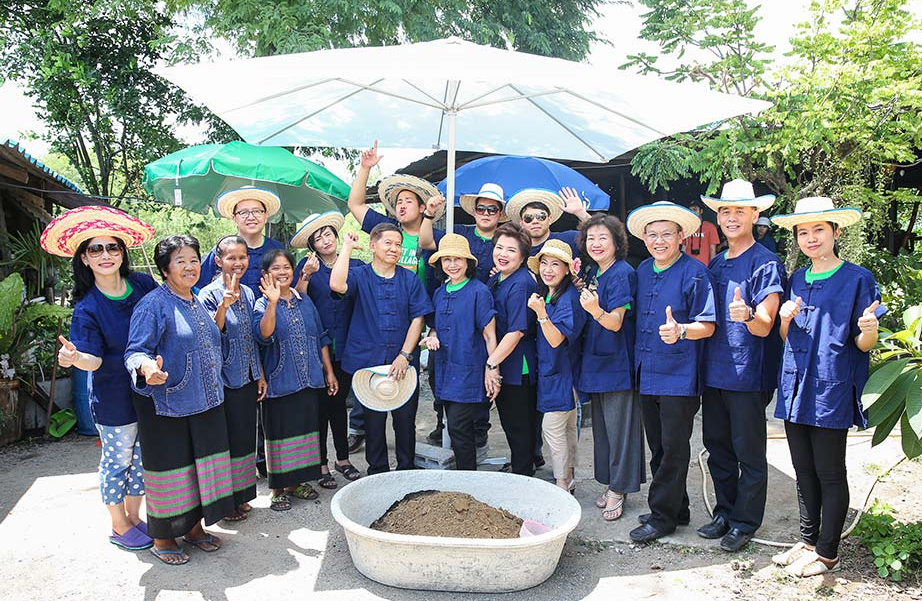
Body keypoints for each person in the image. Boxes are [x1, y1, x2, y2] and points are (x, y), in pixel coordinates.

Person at [769, 197, 885, 577]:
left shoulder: (858, 279)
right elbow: (786, 336)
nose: (811, 238)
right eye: (803, 232)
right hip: (794, 384)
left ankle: (827, 553)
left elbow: (863, 344)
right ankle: (807, 541)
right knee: (802, 469)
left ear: (836, 232)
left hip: (831, 387)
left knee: (829, 472)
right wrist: (785, 319)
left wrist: (869, 330)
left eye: (819, 229)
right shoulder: (796, 279)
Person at [42, 206, 157, 552]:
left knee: (142, 459)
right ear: (84, 258)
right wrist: (75, 358)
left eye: (112, 247)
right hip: (113, 397)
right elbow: (92, 359)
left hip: (149, 390)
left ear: (122, 252)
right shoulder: (87, 308)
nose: (106, 255)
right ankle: (119, 525)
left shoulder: (142, 284)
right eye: (96, 249)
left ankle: (134, 517)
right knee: (117, 461)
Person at [125, 234, 235, 565]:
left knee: (200, 467)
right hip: (169, 403)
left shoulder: (196, 299)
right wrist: (146, 367)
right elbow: (135, 351)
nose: (189, 267)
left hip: (206, 399)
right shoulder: (153, 305)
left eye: (193, 260)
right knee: (172, 471)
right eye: (180, 261)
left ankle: (194, 528)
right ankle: (163, 538)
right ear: (165, 269)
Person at [698, 180, 786, 551]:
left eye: (739, 211)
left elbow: (766, 324)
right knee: (717, 446)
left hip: (748, 371)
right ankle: (724, 511)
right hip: (714, 369)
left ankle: (745, 522)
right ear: (718, 217)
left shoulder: (766, 262)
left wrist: (748, 314)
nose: (731, 218)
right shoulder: (717, 261)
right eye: (725, 211)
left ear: (755, 214)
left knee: (748, 451)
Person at [625, 201, 717, 543]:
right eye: (652, 235)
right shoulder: (642, 270)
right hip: (647, 370)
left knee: (674, 448)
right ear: (644, 239)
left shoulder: (696, 272)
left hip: (679, 373)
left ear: (681, 237)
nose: (659, 241)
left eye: (666, 234)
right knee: (659, 447)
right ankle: (678, 509)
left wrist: (681, 330)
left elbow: (708, 325)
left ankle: (662, 518)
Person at [344, 141, 443, 452]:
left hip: (416, 313)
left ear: (422, 207)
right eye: (398, 201)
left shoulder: (431, 235)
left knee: (409, 387)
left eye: (409, 201)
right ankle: (361, 428)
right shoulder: (386, 229)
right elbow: (355, 204)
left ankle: (433, 432)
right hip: (379, 311)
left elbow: (437, 254)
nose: (401, 206)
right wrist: (365, 168)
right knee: (372, 379)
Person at [330, 224, 432, 474]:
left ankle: (406, 470)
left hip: (402, 361)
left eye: (398, 244)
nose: (394, 248)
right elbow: (337, 285)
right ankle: (377, 471)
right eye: (388, 243)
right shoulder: (359, 275)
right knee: (373, 423)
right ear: (373, 246)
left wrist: (405, 355)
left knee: (405, 421)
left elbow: (418, 318)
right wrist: (346, 247)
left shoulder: (409, 279)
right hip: (369, 361)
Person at [419, 184, 505, 446]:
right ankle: (442, 423)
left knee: (475, 378)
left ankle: (478, 429)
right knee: (439, 374)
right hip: (450, 313)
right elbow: (426, 242)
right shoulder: (460, 233)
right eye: (481, 208)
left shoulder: (504, 241)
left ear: (501, 213)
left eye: (492, 209)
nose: (486, 213)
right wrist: (429, 214)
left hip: (484, 313)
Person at [254, 249, 339, 511]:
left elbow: (320, 337)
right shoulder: (261, 304)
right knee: (280, 435)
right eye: (275, 268)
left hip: (310, 378)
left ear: (294, 270)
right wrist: (272, 303)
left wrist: (328, 372)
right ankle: (278, 489)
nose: (282, 272)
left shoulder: (305, 301)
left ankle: (296, 483)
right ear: (265, 274)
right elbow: (263, 336)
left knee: (304, 433)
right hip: (280, 380)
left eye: (286, 267)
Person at [575, 214, 645, 522]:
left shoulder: (622, 273)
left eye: (603, 238)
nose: (596, 243)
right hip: (597, 361)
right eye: (591, 238)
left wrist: (594, 310)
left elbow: (615, 322)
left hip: (617, 362)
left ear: (617, 242)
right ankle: (611, 482)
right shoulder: (595, 271)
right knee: (604, 431)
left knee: (621, 431)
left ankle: (620, 488)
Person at [291, 212, 363, 487]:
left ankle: (342, 459)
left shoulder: (354, 264)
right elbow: (297, 298)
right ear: (312, 245)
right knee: (320, 406)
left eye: (328, 234)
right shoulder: (307, 266)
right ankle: (320, 463)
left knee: (340, 403)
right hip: (316, 344)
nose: (325, 240)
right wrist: (306, 275)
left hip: (347, 343)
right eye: (318, 238)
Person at [198, 235, 267, 521]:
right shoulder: (208, 294)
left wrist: (259, 374)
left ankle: (241, 495)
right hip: (223, 380)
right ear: (218, 260)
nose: (238, 262)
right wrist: (223, 307)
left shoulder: (248, 293)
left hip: (248, 377)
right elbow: (209, 336)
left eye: (242, 257)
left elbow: (252, 338)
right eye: (231, 258)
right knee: (224, 441)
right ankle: (225, 503)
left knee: (244, 439)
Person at [420, 234, 498, 470]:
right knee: (454, 428)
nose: (452, 265)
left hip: (468, 369)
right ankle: (465, 477)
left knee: (459, 428)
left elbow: (490, 335)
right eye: (447, 260)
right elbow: (435, 327)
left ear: (468, 263)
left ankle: (467, 479)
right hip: (444, 368)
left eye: (457, 259)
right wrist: (432, 337)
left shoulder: (479, 291)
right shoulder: (440, 292)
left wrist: (493, 370)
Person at [526, 239, 586, 492]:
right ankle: (569, 476)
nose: (548, 270)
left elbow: (555, 339)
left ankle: (561, 483)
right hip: (557, 373)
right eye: (544, 263)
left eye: (555, 264)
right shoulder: (552, 294)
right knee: (567, 427)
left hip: (563, 375)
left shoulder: (568, 298)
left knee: (552, 428)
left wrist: (540, 313)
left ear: (566, 269)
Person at [485, 223, 539, 476]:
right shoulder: (498, 278)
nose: (503, 254)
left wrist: (491, 364)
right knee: (512, 421)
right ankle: (523, 465)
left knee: (519, 424)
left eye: (511, 250)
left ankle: (523, 474)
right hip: (503, 358)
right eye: (499, 248)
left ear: (523, 255)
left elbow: (517, 331)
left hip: (518, 364)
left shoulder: (521, 283)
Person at [197, 186, 286, 289]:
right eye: (243, 212)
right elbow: (199, 285)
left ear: (265, 216)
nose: (251, 217)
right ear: (234, 218)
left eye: (257, 211)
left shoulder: (277, 249)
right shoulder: (224, 248)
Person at [505, 187, 592, 256]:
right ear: (522, 224)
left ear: (550, 219)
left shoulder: (570, 238)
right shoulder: (517, 251)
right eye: (528, 218)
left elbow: (598, 236)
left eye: (541, 216)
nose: (535, 221)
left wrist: (581, 213)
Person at [682, 199, 720, 265]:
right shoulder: (687, 227)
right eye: (690, 210)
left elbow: (712, 249)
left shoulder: (710, 227)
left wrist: (712, 266)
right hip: (688, 266)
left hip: (705, 265)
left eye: (695, 209)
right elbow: (683, 248)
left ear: (701, 211)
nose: (692, 212)